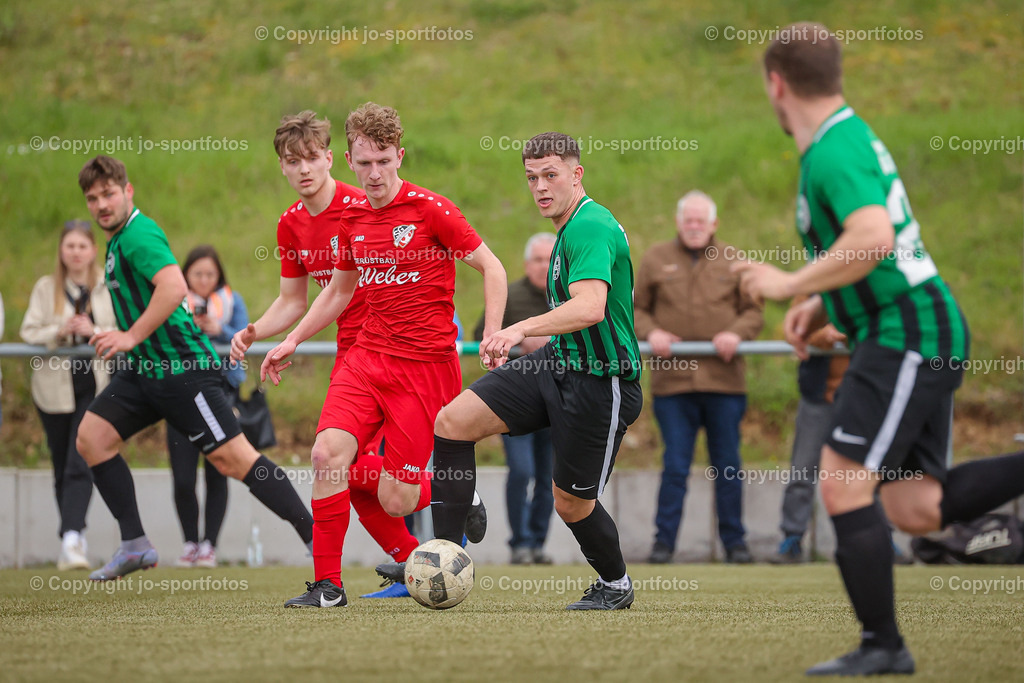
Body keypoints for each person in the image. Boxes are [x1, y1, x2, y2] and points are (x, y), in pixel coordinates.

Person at [735, 22, 1024, 675]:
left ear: (776, 84)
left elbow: (873, 238)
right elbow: (879, 249)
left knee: (842, 484)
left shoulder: (832, 150)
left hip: (907, 332)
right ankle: (883, 644)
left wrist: (789, 283)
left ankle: (883, 646)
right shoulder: (845, 137)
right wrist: (822, 303)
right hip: (913, 325)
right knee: (913, 507)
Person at [259, 103, 505, 608]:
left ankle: (454, 490)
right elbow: (339, 291)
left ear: (400, 157)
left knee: (395, 498)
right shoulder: (350, 217)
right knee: (327, 456)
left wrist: (494, 334)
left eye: (384, 162)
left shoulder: (431, 210)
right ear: (349, 159)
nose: (374, 174)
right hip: (366, 358)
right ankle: (328, 587)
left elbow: (493, 268)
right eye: (365, 163)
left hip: (424, 370)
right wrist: (292, 339)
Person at [396, 131, 644, 611]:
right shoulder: (568, 229)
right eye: (532, 178)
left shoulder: (591, 225)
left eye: (551, 175)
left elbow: (590, 307)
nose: (540, 187)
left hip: (600, 381)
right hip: (557, 363)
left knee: (571, 504)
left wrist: (517, 329)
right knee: (452, 422)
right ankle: (443, 557)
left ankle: (616, 585)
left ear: (577, 174)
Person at [73, 155, 314, 581]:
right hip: (145, 371)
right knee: (92, 438)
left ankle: (316, 537)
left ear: (127, 191)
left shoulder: (138, 234)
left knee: (234, 460)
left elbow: (173, 287)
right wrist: (127, 339)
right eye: (93, 199)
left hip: (183, 369)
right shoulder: (116, 242)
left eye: (109, 194)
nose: (101, 205)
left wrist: (128, 336)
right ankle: (135, 545)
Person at [634, 191, 763, 564]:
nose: (694, 227)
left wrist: (736, 333)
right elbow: (636, 309)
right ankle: (663, 544)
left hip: (725, 384)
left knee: (728, 465)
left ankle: (735, 544)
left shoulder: (734, 259)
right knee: (675, 466)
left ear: (713, 224)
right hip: (673, 385)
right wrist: (652, 332)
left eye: (700, 221)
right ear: (678, 222)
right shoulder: (655, 258)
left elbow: (754, 312)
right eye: (688, 220)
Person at [20, 221, 117, 570]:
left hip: (95, 385)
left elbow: (125, 330)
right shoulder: (46, 288)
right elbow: (29, 331)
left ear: (93, 250)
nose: (76, 252)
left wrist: (94, 330)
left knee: (80, 458)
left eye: (82, 246)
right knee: (61, 463)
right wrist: (60, 331)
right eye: (70, 246)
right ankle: (71, 539)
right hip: (54, 389)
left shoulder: (107, 287)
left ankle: (73, 536)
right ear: (61, 251)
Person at [473, 232, 557, 565]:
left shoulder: (569, 296)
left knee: (550, 476)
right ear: (526, 263)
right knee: (521, 471)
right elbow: (482, 337)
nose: (544, 266)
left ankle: (537, 544)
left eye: (549, 259)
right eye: (537, 259)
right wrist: (518, 343)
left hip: (558, 400)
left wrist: (551, 342)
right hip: (517, 400)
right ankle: (519, 543)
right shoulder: (510, 295)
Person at [167, 245, 248, 568]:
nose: (203, 280)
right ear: (185, 274)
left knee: (219, 470)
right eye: (197, 273)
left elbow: (245, 337)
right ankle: (190, 541)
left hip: (219, 393)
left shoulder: (232, 301)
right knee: (183, 477)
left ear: (219, 276)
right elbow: (163, 338)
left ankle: (209, 545)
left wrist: (220, 330)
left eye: (210, 274)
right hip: (180, 393)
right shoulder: (172, 300)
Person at [771, 303, 848, 564]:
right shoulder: (813, 288)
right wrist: (823, 336)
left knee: (870, 471)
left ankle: (880, 538)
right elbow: (794, 332)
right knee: (802, 470)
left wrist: (847, 332)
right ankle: (792, 539)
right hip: (818, 397)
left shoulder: (876, 285)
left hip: (864, 397)